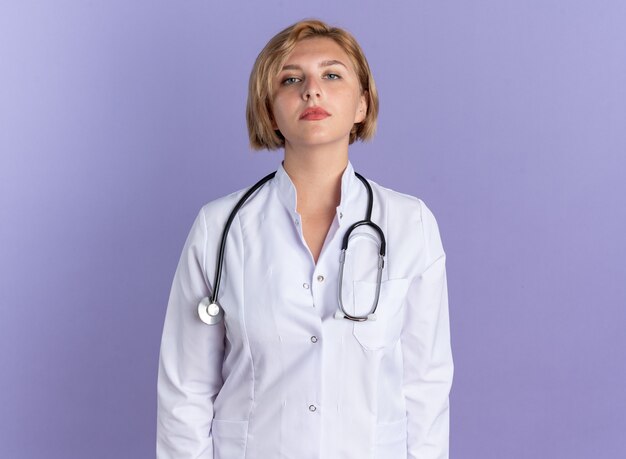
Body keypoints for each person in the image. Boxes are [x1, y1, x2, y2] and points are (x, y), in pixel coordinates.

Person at [157, 18, 453, 459]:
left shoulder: (410, 225)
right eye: (291, 79)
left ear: (361, 105)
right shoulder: (219, 227)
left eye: (332, 75)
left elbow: (426, 386)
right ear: (269, 110)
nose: (311, 90)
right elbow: (185, 391)